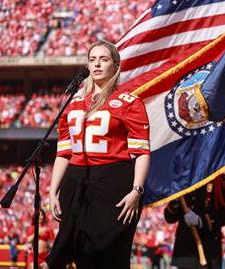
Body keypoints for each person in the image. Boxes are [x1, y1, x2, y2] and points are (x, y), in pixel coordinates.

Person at [45, 40, 151, 268]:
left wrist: (137, 190)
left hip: (113, 181)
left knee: (107, 254)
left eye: (103, 59)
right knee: (73, 251)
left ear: (115, 65)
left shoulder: (129, 102)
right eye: (92, 59)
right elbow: (63, 151)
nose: (97, 65)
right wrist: (53, 190)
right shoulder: (73, 104)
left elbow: (142, 151)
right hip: (76, 181)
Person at [163, 174, 225, 269]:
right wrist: (175, 202)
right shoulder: (184, 179)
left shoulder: (219, 180)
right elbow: (170, 218)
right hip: (185, 251)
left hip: (208, 250)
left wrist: (201, 220)